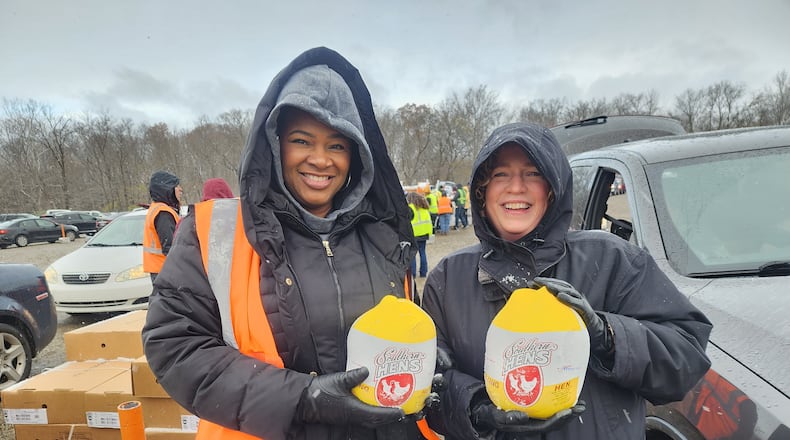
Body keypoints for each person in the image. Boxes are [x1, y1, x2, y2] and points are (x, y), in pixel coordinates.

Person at [141, 47, 439, 440]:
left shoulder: (381, 233)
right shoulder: (214, 230)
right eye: (302, 140)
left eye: (337, 144)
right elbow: (175, 346)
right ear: (275, 142)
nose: (321, 159)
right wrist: (303, 399)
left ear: (357, 154)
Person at [421, 122, 712, 439]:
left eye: (532, 173)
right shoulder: (448, 280)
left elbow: (685, 361)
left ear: (552, 188)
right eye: (500, 174)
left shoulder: (614, 260)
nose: (516, 187)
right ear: (482, 190)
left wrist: (607, 336)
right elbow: (431, 381)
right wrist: (477, 408)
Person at [143, 170, 182, 282]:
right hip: (167, 271)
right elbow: (170, 247)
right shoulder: (163, 213)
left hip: (161, 270)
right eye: (176, 186)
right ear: (167, 189)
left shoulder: (157, 208)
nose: (180, 189)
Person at [407, 191, 432, 278]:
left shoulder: (410, 208)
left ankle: (413, 273)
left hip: (414, 234)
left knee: (412, 255)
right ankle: (423, 272)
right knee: (422, 253)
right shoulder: (424, 207)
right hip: (424, 234)